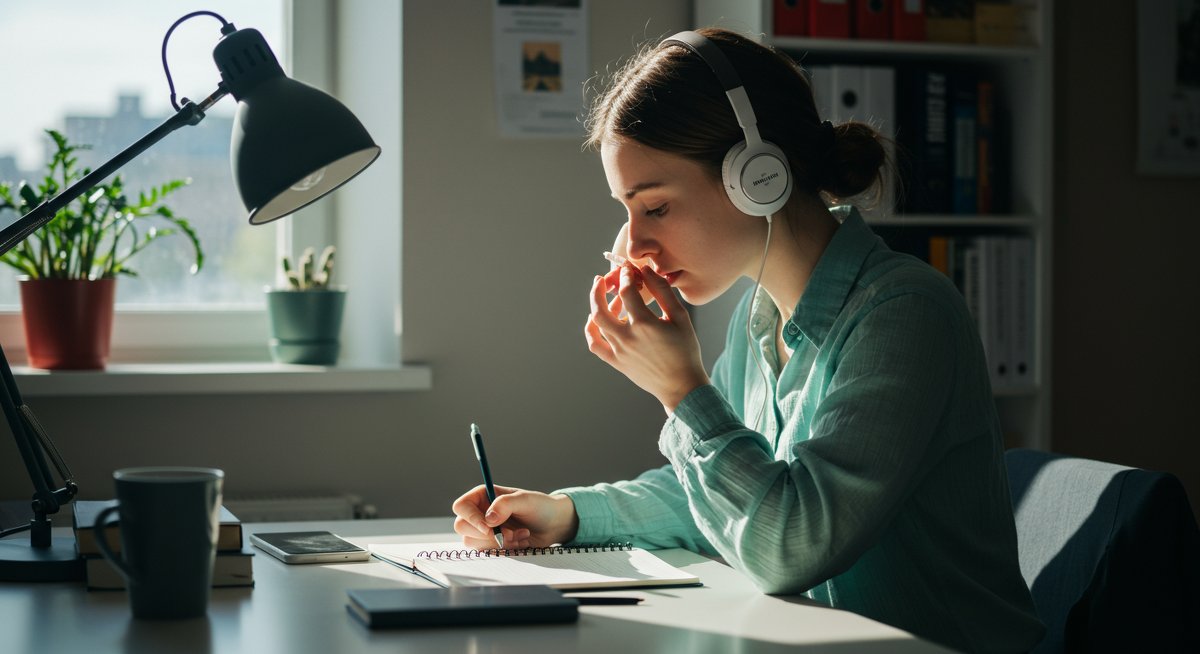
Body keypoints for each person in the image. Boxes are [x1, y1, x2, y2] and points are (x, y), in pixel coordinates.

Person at [452, 27, 1044, 653]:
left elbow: (789, 546)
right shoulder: (757, 315)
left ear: (757, 176)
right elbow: (723, 500)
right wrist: (569, 516)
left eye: (654, 207)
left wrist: (682, 391)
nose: (635, 245)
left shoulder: (904, 313)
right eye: (627, 212)